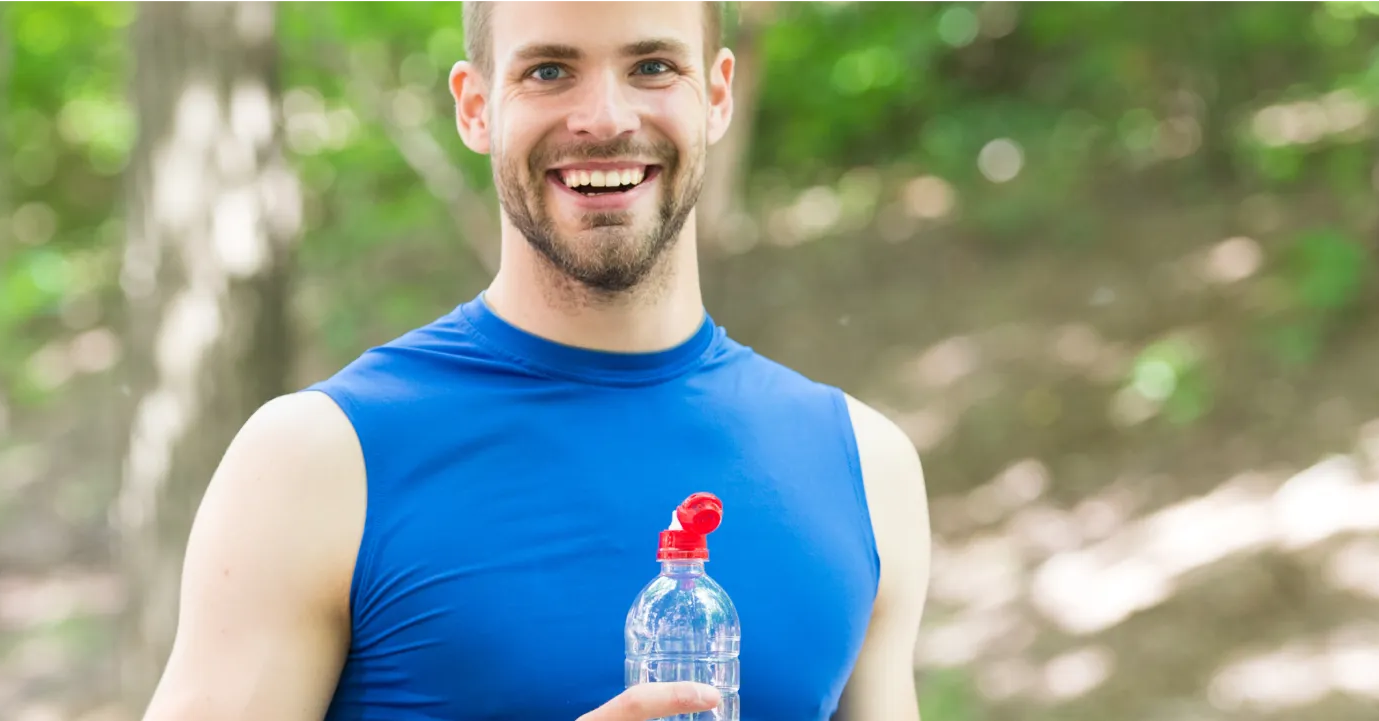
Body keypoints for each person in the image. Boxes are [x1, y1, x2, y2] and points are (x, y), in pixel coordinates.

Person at [140, 0, 931, 718]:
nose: (604, 116)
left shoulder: (867, 467)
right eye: (549, 71)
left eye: (652, 66)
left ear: (716, 95)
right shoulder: (315, 460)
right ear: (476, 107)